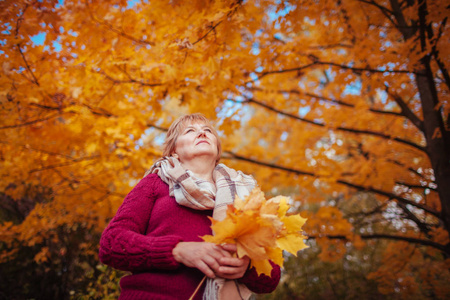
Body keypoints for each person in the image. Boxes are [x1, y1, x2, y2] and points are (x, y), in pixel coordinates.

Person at [99, 113, 281, 300]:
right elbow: (111, 243)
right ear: (174, 151)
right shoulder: (155, 183)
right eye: (190, 131)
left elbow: (272, 278)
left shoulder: (244, 195)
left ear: (217, 150)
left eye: (208, 131)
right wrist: (177, 251)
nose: (202, 134)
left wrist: (248, 266)